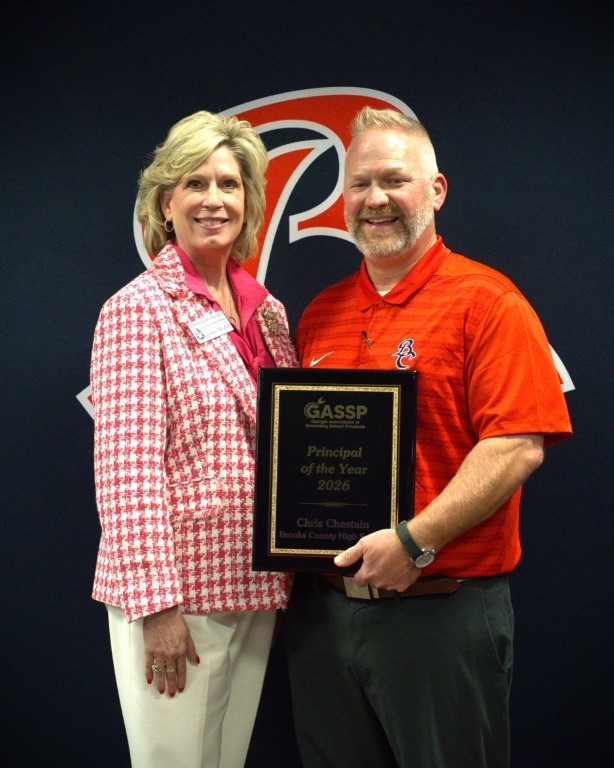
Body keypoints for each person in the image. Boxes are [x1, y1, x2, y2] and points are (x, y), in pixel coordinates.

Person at [283, 106, 572, 768]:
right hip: (322, 619)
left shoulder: (488, 303)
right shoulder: (320, 313)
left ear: (435, 190)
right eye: (359, 184)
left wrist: (414, 541)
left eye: (394, 180)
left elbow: (517, 446)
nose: (374, 199)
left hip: (439, 616)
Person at [90, 110, 297, 768]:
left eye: (230, 185)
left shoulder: (267, 311)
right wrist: (158, 608)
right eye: (196, 184)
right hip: (179, 596)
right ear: (164, 203)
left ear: (250, 201)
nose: (215, 200)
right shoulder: (137, 308)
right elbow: (127, 470)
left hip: (256, 582)